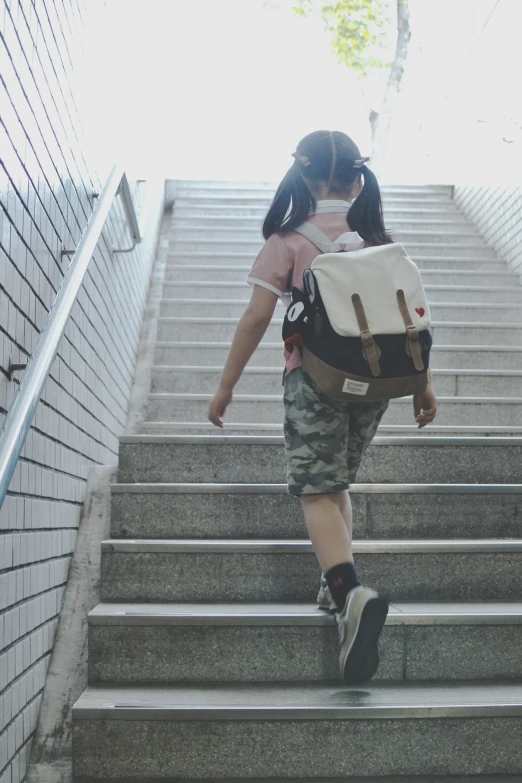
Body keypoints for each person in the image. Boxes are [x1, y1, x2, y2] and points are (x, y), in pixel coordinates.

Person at [208, 129, 437, 684]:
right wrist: (422, 386)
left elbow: (257, 318)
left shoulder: (288, 240)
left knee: (315, 487)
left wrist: (226, 387)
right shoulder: (378, 235)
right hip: (381, 382)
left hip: (316, 378)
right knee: (337, 486)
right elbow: (410, 315)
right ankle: (335, 585)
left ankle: (350, 591)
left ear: (304, 178)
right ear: (359, 179)